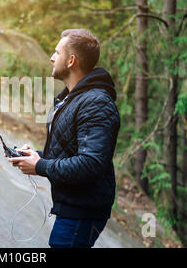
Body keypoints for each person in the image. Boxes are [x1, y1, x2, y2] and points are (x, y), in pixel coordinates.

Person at [7, 29, 120, 248]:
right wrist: (35, 157)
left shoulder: (96, 103)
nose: (51, 57)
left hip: (82, 211)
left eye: (57, 52)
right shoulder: (73, 98)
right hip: (74, 207)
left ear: (71, 61)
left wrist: (40, 166)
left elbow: (91, 163)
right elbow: (71, 152)